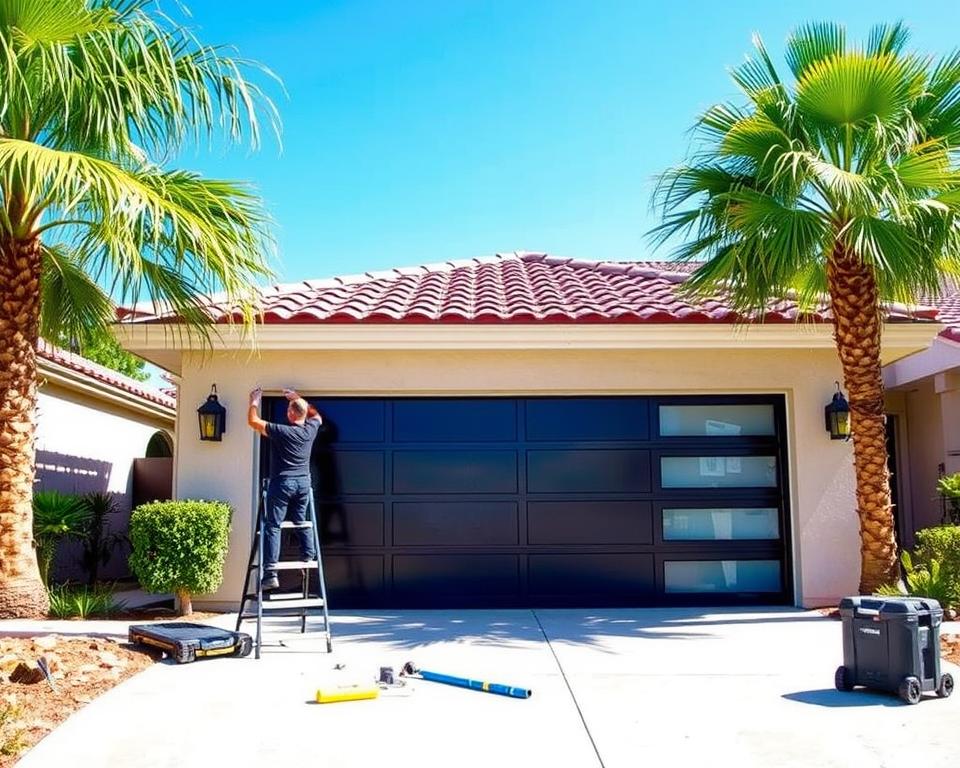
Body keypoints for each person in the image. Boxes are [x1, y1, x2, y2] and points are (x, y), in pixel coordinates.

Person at [247, 387, 324, 590]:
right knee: (300, 520)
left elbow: (253, 422)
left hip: (282, 483)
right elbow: (318, 416)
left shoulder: (282, 431)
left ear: (290, 414)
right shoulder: (310, 430)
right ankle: (308, 555)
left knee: (273, 525)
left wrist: (254, 401)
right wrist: (298, 398)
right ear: (304, 413)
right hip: (303, 483)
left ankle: (270, 574)